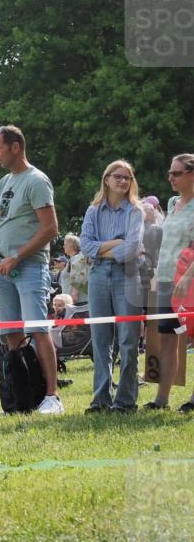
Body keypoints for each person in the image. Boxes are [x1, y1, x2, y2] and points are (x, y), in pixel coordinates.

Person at [0, 124, 63, 415]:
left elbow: (50, 229)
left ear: (15, 147)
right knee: (11, 333)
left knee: (38, 329)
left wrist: (16, 257)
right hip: (1, 268)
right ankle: (22, 394)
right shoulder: (3, 182)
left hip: (29, 266)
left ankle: (52, 396)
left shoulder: (36, 181)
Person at [78, 160, 145, 413]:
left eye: (127, 178)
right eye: (117, 176)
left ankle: (126, 402)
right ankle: (101, 399)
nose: (122, 181)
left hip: (127, 275)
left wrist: (100, 249)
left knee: (128, 340)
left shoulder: (135, 212)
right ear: (106, 180)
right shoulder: (93, 211)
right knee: (100, 340)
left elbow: (130, 250)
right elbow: (85, 246)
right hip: (98, 277)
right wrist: (114, 243)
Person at [146, 153, 194, 412]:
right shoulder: (172, 201)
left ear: (192, 174)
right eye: (170, 173)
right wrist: (157, 273)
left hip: (189, 282)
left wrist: (188, 277)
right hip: (165, 279)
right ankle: (161, 399)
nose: (171, 178)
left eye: (177, 173)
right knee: (167, 338)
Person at [63, 235, 89, 304]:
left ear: (72, 245)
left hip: (77, 301)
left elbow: (79, 276)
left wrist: (74, 294)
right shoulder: (72, 259)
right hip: (72, 300)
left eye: (65, 244)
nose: (63, 246)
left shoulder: (77, 258)